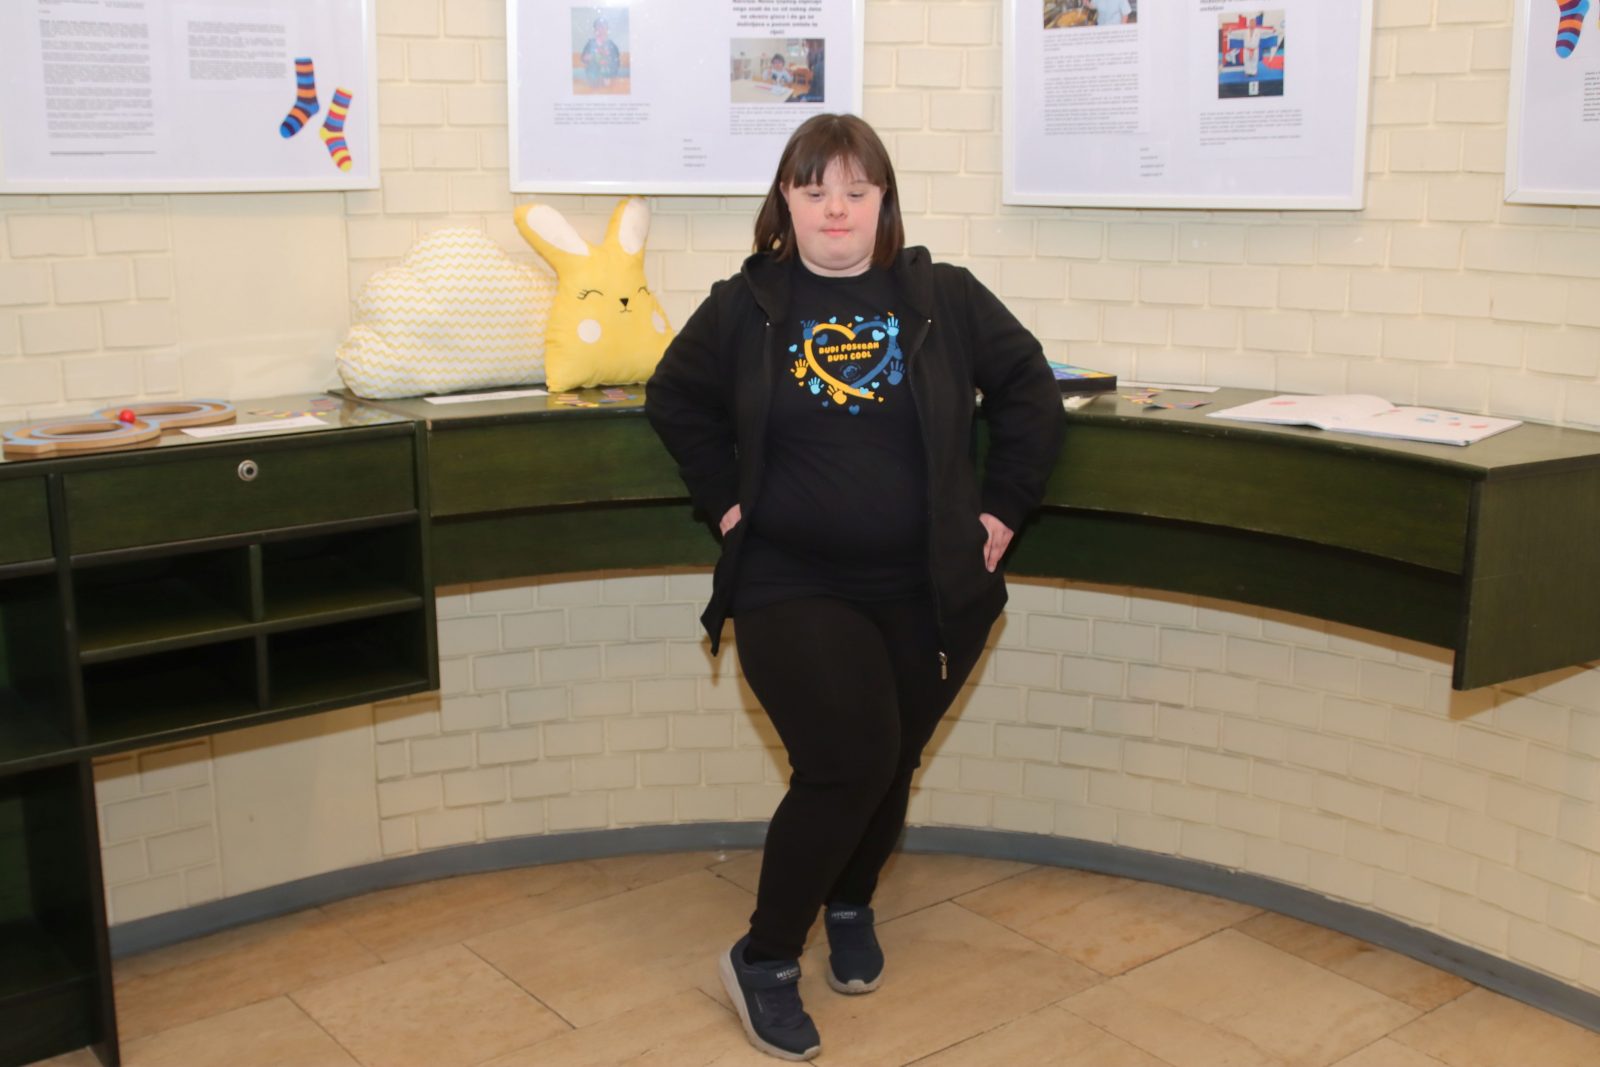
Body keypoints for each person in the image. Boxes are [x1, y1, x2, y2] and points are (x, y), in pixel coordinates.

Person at [645, 114, 1064, 1061]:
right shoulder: (745, 304)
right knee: (850, 757)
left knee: (892, 757)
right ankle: (763, 958)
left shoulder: (944, 297)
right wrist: (725, 501)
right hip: (790, 578)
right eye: (814, 190)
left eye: (855, 191)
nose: (835, 209)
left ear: (883, 203)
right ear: (785, 203)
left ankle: (850, 901)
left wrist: (1003, 508)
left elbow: (1031, 390)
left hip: (926, 584)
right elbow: (673, 397)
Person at [580, 16, 620, 87]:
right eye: (599, 27)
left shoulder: (611, 45)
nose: (601, 29)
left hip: (609, 77)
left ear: (607, 30)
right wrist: (587, 57)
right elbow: (583, 58)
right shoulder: (590, 44)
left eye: (604, 27)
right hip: (593, 78)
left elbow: (616, 62)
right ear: (595, 30)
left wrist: (608, 63)